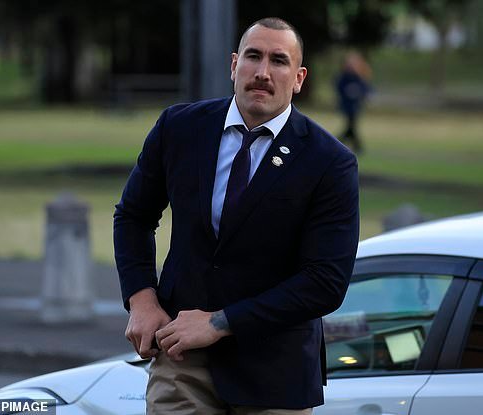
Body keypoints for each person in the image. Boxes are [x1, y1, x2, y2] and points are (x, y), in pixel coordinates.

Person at [114, 17, 359, 415]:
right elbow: (133, 216)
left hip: (275, 373)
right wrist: (141, 299)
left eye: (278, 61)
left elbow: (325, 282)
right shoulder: (179, 127)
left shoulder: (329, 162)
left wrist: (218, 323)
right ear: (234, 65)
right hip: (181, 357)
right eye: (253, 56)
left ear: (299, 78)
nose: (263, 72)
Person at [335, 51, 372, 153]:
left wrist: (359, 93)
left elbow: (365, 89)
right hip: (347, 105)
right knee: (351, 126)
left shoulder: (359, 77)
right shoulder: (344, 77)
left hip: (356, 106)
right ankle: (356, 146)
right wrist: (347, 92)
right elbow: (339, 88)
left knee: (351, 127)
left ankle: (338, 143)